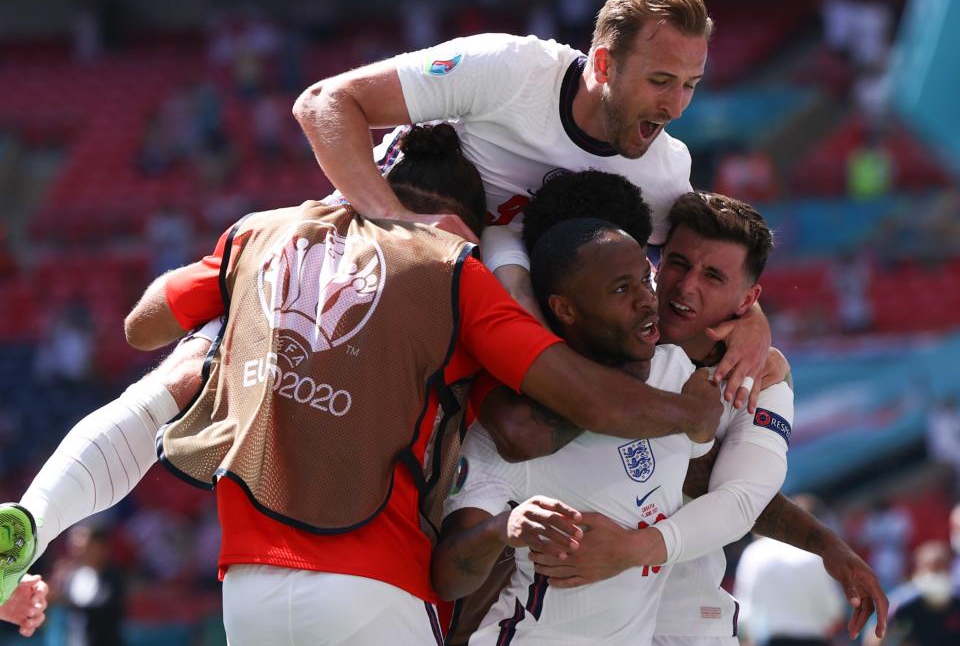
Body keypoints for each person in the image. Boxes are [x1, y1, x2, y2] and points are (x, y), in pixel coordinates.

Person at [1, 125, 720, 645]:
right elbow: (565, 401)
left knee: (187, 373)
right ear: (458, 218)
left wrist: (228, 288)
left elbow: (142, 323)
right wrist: (686, 412)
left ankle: (33, 517)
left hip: (248, 590)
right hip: (373, 585)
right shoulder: (452, 271)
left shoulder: (264, 233)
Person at [292, 0, 770, 410]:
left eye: (690, 85)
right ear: (604, 64)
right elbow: (323, 103)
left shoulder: (664, 170)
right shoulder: (509, 69)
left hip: (490, 318)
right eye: (660, 81)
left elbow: (701, 271)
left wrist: (753, 323)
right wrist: (396, 222)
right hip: (371, 270)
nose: (676, 106)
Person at [452, 174, 886, 644]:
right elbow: (523, 431)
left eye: (714, 277)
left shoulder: (763, 380)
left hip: (688, 615)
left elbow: (739, 499)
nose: (685, 287)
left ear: (748, 300)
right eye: (677, 264)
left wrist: (632, 549)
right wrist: (684, 416)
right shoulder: (592, 328)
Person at [433, 217, 718, 645]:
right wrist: (502, 529)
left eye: (646, 278)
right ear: (565, 309)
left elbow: (717, 485)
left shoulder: (676, 372)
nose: (647, 300)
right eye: (621, 289)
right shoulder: (517, 431)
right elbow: (449, 579)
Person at [734, 495, 847, 646]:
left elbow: (744, 611)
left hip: (772, 640)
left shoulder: (754, 554)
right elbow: (834, 608)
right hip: (814, 640)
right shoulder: (813, 554)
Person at [865, 541, 960, 646]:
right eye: (930, 567)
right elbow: (874, 637)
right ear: (918, 568)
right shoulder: (902, 599)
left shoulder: (956, 599)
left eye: (941, 567)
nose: (935, 573)